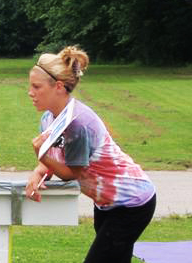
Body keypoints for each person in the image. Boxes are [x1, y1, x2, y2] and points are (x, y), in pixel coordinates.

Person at [24, 46, 156, 263]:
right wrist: (39, 172)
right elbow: (56, 157)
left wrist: (41, 155)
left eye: (36, 86)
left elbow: (70, 172)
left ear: (58, 86)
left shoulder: (78, 123)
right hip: (106, 204)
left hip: (132, 203)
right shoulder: (49, 119)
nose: (30, 92)